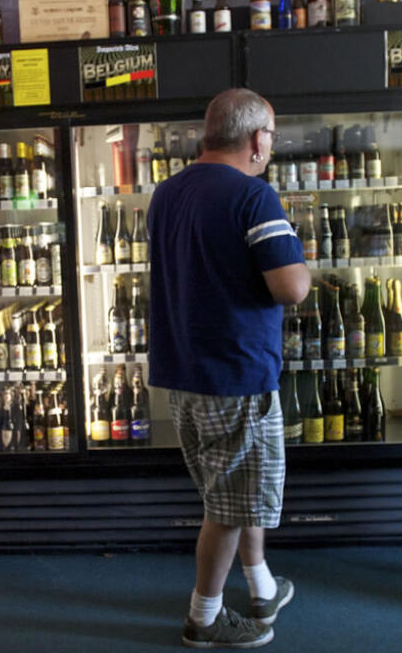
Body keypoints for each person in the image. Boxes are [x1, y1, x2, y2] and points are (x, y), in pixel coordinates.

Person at [147, 88, 311, 648]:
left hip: (185, 374)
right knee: (229, 503)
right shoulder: (254, 196)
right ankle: (205, 617)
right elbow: (290, 288)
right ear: (258, 138)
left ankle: (262, 586)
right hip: (237, 375)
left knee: (235, 493)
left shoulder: (166, 193)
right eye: (273, 136)